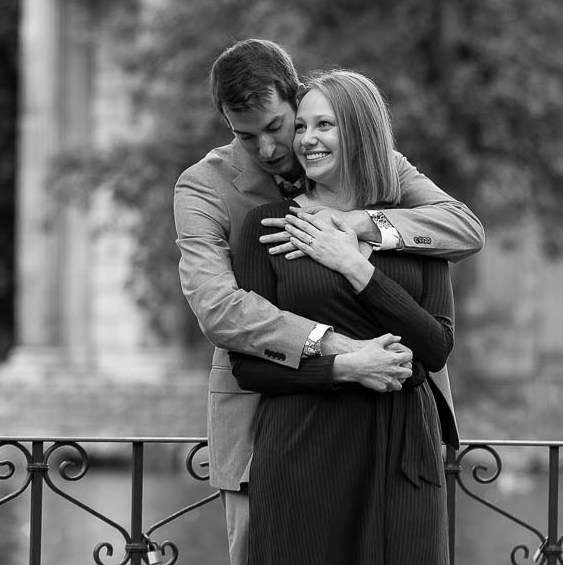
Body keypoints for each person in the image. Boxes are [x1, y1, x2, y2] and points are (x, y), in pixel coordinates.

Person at [173, 40, 484, 565]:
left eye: (276, 127)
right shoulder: (203, 188)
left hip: (397, 410)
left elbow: (462, 227)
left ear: (296, 101)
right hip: (271, 421)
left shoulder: (376, 163)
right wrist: (337, 350)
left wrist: (358, 225)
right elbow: (219, 307)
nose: (269, 149)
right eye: (245, 136)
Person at [229, 68, 459, 565]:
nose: (307, 140)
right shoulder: (269, 227)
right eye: (302, 126)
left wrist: (355, 265)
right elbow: (249, 367)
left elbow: (436, 348)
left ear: (360, 132)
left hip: (403, 453)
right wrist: (345, 366)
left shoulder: (411, 229)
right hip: (304, 449)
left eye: (325, 126)